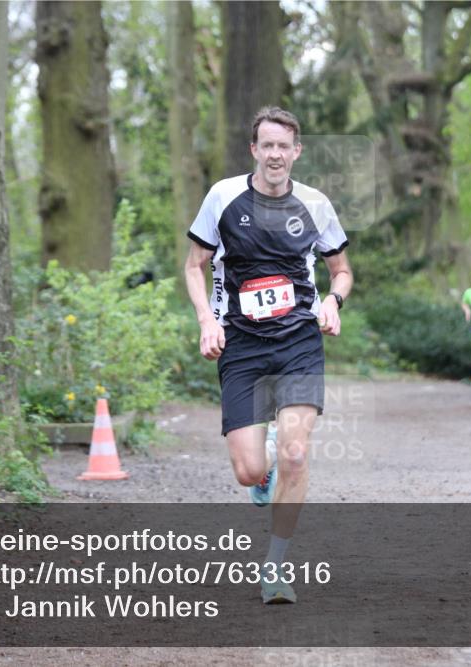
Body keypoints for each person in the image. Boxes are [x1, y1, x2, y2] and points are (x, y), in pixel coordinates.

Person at [183, 107, 353, 604]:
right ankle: (264, 465)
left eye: (284, 146)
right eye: (267, 145)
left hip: (299, 339)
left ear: (296, 151)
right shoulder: (223, 197)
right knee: (247, 471)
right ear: (254, 150)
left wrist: (333, 301)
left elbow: (341, 270)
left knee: (297, 454)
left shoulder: (315, 204)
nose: (275, 154)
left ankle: (275, 568)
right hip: (241, 343)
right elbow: (195, 265)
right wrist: (207, 321)